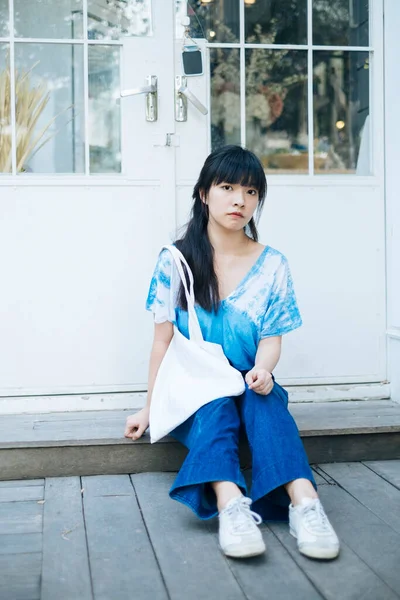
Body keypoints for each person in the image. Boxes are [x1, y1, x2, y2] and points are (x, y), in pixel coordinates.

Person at [124, 145, 340, 561]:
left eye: (251, 191)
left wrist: (263, 369)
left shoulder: (273, 264)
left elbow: (272, 338)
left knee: (265, 397)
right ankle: (231, 506)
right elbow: (162, 342)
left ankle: (305, 504)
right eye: (227, 187)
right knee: (217, 406)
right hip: (196, 389)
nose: (240, 200)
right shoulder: (176, 261)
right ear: (204, 194)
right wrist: (149, 407)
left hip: (246, 379)